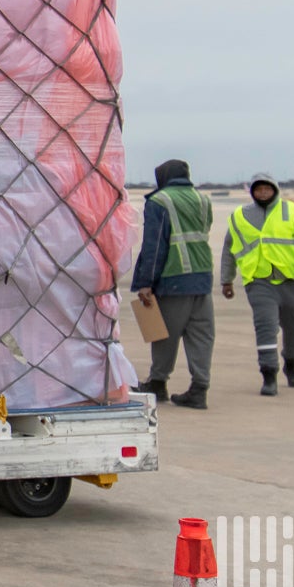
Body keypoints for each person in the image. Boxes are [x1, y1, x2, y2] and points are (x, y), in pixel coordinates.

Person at [221, 172, 294, 397]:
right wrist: (226, 280)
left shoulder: (293, 212)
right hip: (259, 282)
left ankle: (292, 364)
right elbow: (229, 249)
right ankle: (269, 374)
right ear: (252, 192)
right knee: (265, 326)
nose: (263, 193)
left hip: (293, 282)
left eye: (267, 189)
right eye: (258, 189)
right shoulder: (239, 216)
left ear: (275, 190)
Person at [131, 159, 214, 408]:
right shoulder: (203, 199)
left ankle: (158, 382)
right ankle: (200, 388)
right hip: (202, 276)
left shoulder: (160, 201)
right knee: (201, 335)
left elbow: (154, 245)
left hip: (174, 277)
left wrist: (146, 282)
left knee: (163, 334)